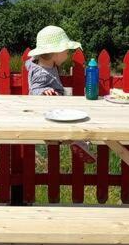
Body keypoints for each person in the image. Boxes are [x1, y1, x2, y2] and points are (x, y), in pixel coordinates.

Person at [26, 26, 94, 165]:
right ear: (56, 53)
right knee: (74, 124)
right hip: (47, 111)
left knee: (70, 125)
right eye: (67, 52)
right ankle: (79, 143)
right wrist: (43, 91)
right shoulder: (41, 72)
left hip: (53, 109)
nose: (68, 55)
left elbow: (30, 62)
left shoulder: (43, 64)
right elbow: (35, 89)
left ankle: (78, 142)